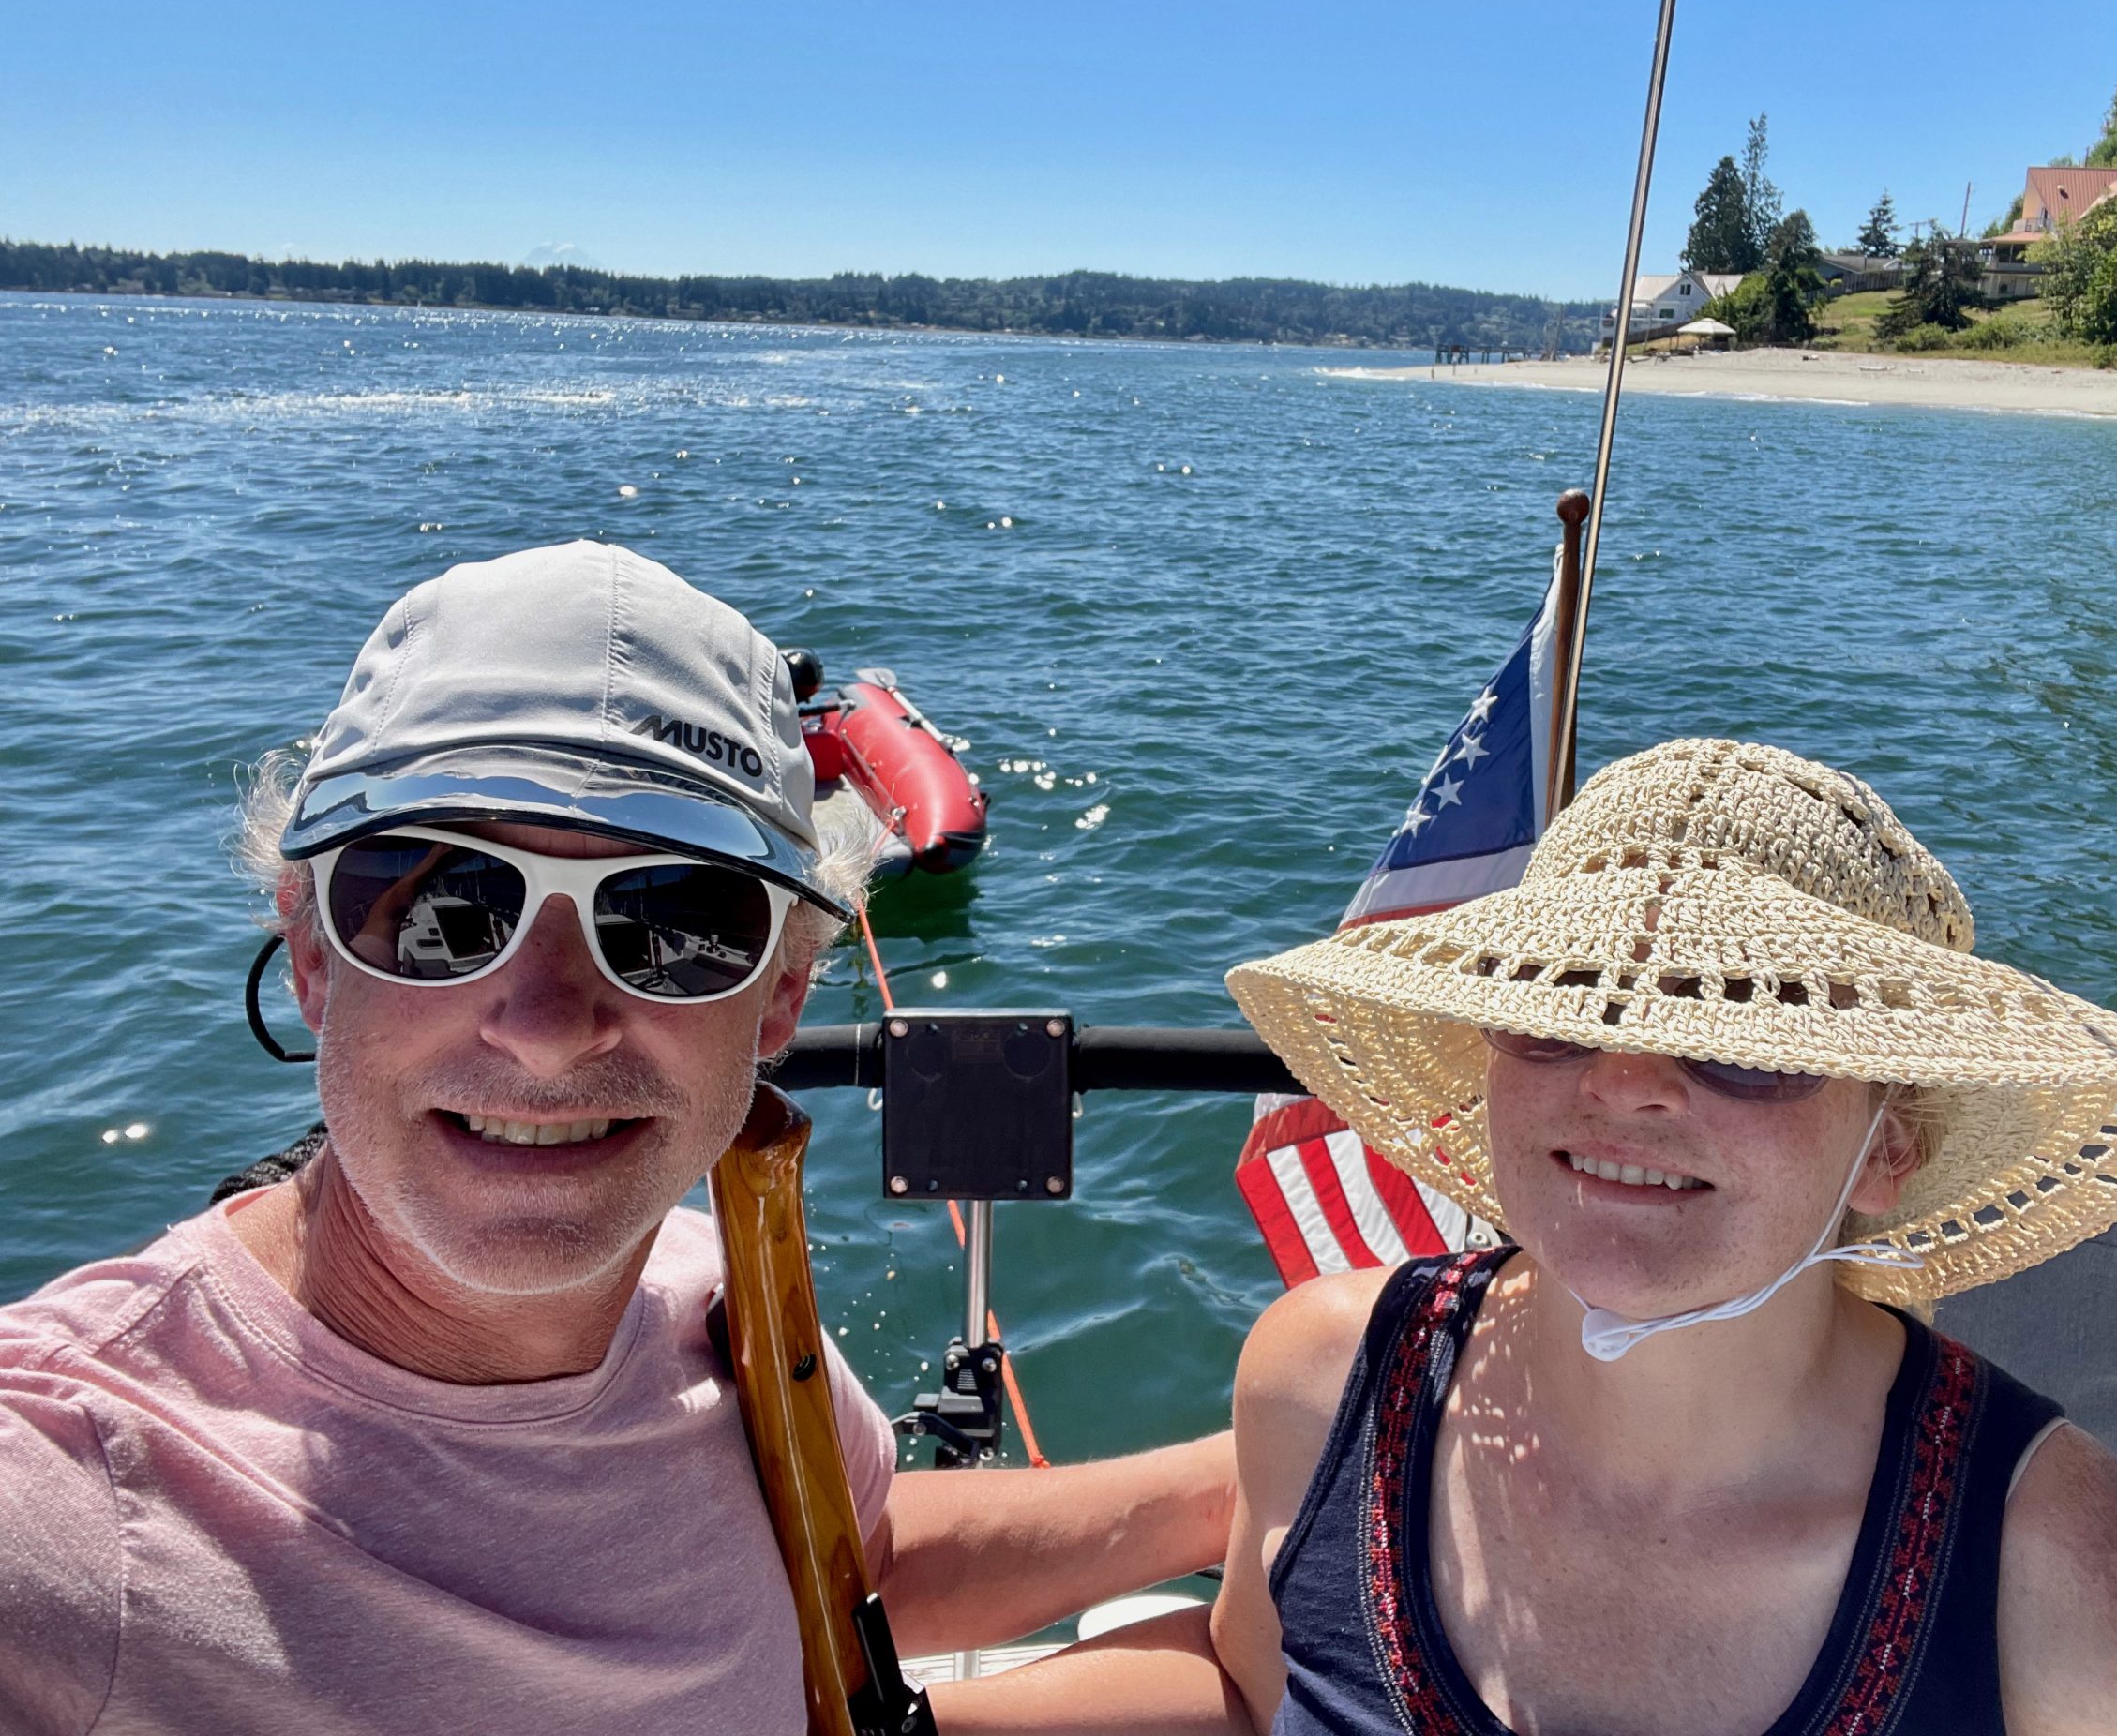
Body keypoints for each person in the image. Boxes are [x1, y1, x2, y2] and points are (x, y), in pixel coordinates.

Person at [0, 541, 1234, 1735]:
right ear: (313, 956)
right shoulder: (76, 1496)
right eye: (448, 904)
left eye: (674, 923)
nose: (547, 1029)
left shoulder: (715, 1299)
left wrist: (1266, 1470)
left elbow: (849, 1577)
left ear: (781, 998)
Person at [1204, 738, 2117, 1734]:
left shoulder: (2054, 1580)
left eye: (1747, 1034)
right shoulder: (1328, 1381)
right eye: (1554, 1010)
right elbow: (1264, 1694)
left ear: (1887, 1149)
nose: (1625, 1081)